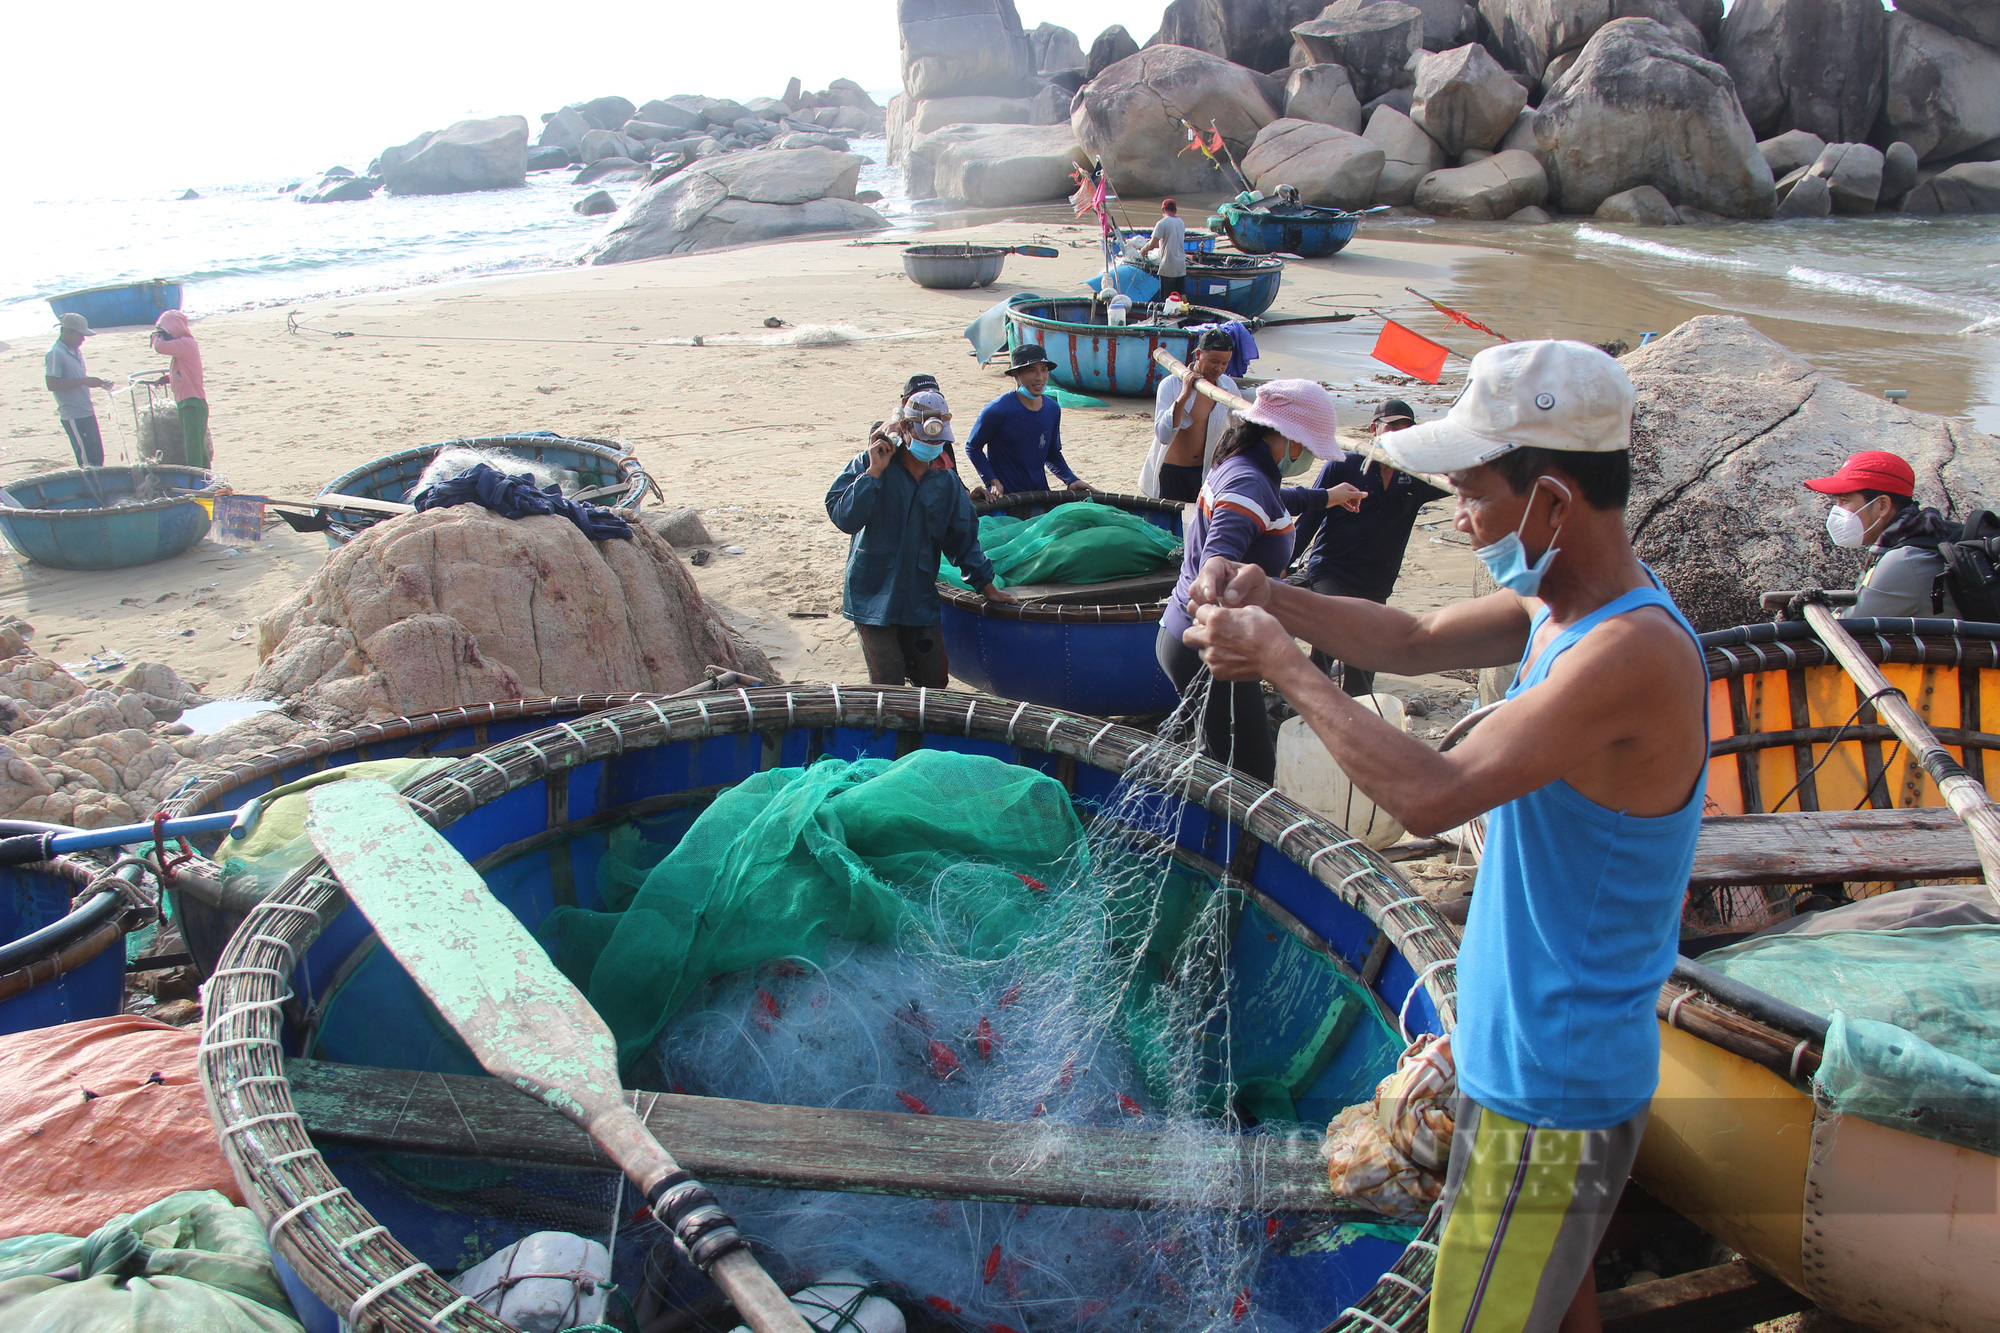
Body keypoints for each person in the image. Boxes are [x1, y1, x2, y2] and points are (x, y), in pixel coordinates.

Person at [1182, 340, 1708, 1333]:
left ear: (1551, 500)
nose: (1458, 516)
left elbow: (1432, 792)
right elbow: (1413, 637)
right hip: (1523, 1056)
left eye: (1471, 491)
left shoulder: (1628, 652)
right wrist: (1273, 596)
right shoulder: (1558, 605)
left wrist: (1284, 667)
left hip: (1547, 1099)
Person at [1157, 380, 1362, 783]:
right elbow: (1221, 551)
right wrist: (1217, 569)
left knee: (1222, 759)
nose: (1307, 457)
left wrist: (1327, 497)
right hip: (1209, 650)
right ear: (1285, 439)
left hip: (1187, 634)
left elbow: (1276, 502)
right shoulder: (1248, 482)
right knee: (1249, 773)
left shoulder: (1245, 466)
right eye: (1307, 447)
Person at [827, 389, 1015, 688]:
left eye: (938, 443)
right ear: (904, 429)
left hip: (919, 596)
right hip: (871, 593)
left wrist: (986, 585)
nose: (932, 448)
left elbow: (963, 539)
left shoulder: (947, 481)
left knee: (933, 681)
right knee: (888, 682)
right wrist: (874, 473)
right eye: (927, 440)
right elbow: (844, 517)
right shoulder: (870, 463)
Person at [1289, 398, 1451, 696]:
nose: (1398, 434)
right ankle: (1307, 700)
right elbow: (1311, 516)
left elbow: (1458, 475)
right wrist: (1286, 560)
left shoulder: (1417, 475)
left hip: (1378, 578)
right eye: (1392, 427)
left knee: (1367, 655)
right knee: (1333, 632)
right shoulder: (1345, 464)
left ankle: (1355, 714)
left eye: (1405, 429)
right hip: (1333, 568)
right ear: (1375, 428)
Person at [1805, 449, 1961, 617]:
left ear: (1882, 506)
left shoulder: (1905, 561)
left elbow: (1845, 629)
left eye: (1845, 501)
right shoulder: (1920, 540)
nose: (1836, 511)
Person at [966, 345, 1090, 500]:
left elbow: (1051, 453)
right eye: (1031, 370)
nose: (1040, 377)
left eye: (1044, 369)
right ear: (1016, 375)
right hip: (1006, 498)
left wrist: (1071, 479)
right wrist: (992, 480)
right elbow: (973, 446)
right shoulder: (997, 410)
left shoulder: (1052, 409)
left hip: (1039, 494)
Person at [1142, 329, 1239, 502]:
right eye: (1214, 361)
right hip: (1172, 471)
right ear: (1199, 355)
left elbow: (1239, 425)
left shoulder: (1227, 386)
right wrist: (1185, 394)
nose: (1219, 368)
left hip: (1204, 473)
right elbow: (1163, 435)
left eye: (1225, 363)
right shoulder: (1170, 385)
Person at [44, 313, 112, 469]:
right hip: (73, 413)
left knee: (97, 456)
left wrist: (96, 382)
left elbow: (76, 378)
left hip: (86, 410)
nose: (83, 339)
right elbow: (52, 383)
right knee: (87, 461)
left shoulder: (75, 350)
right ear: (67, 332)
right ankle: (91, 490)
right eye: (80, 335)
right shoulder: (56, 353)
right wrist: (83, 381)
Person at [150, 310, 210, 468]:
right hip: (186, 403)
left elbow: (159, 347)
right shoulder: (181, 348)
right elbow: (185, 373)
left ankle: (197, 485)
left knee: (193, 450)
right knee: (197, 447)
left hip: (193, 404)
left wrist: (156, 334)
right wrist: (168, 379)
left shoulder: (186, 343)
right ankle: (207, 481)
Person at [1137, 198, 1188, 296]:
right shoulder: (1181, 222)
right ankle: (1184, 310)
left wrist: (1143, 250)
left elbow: (1152, 243)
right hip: (1181, 264)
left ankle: (1170, 311)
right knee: (1181, 294)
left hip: (1168, 265)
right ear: (1175, 210)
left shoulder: (1162, 223)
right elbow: (1169, 239)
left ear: (1163, 210)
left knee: (1168, 297)